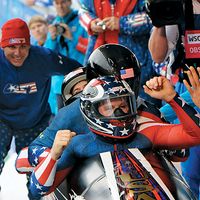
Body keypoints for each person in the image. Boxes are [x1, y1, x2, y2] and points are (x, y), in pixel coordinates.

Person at [16, 74, 200, 199]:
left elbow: (195, 135)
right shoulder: (76, 144)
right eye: (110, 107)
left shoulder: (147, 131)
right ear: (91, 110)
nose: (119, 112)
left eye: (123, 105)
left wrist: (172, 97)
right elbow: (37, 191)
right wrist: (53, 155)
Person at [0, 17, 82, 197]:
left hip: (36, 121)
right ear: (2, 46)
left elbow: (79, 70)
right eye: (12, 47)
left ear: (30, 44)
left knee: (40, 173)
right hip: (2, 120)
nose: (18, 53)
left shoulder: (44, 57)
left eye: (23, 46)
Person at [148, 0, 200, 197]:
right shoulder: (176, 6)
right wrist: (159, 22)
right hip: (185, 87)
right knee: (190, 172)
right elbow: (157, 55)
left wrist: (158, 116)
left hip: (186, 94)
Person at [79, 0, 161, 106]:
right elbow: (83, 11)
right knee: (106, 105)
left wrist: (122, 23)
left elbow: (155, 17)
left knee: (145, 106)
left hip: (137, 64)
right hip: (100, 63)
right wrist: (91, 23)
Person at [44, 0, 88, 115]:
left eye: (63, 2)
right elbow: (47, 56)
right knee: (64, 120)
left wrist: (71, 38)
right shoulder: (55, 23)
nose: (60, 6)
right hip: (60, 84)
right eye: (56, 3)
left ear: (69, 2)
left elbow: (89, 49)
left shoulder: (82, 20)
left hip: (80, 80)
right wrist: (52, 39)